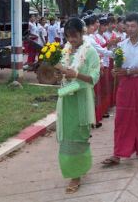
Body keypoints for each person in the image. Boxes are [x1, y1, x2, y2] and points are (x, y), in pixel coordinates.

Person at [102, 13, 138, 165]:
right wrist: (116, 71)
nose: (130, 29)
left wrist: (128, 71)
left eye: (133, 26)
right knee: (121, 118)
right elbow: (118, 67)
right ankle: (117, 153)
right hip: (124, 85)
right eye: (128, 26)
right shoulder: (121, 45)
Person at [55, 17, 100, 193]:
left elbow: (94, 78)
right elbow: (63, 73)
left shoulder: (90, 53)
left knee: (79, 136)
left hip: (82, 99)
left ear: (83, 32)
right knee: (67, 137)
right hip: (67, 99)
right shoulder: (65, 50)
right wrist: (61, 76)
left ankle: (76, 175)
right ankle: (74, 168)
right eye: (68, 37)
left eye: (74, 36)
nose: (71, 40)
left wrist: (77, 75)